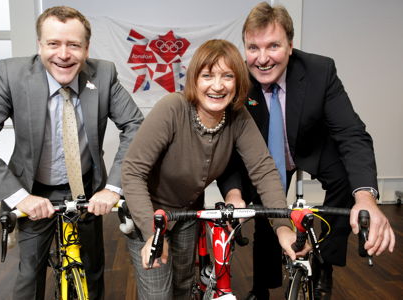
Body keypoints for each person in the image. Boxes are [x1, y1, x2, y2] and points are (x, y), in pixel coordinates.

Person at [0, 6, 143, 300]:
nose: (64, 54)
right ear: (40, 45)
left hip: (86, 188)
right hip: (33, 190)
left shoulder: (104, 73)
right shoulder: (12, 74)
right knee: (30, 274)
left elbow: (135, 126)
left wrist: (113, 188)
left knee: (92, 270)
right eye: (53, 43)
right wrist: (20, 197)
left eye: (74, 45)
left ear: (86, 48)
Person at [217, 2, 395, 300]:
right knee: (265, 204)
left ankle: (325, 261)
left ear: (290, 45)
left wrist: (366, 198)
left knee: (344, 177)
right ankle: (262, 287)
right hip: (261, 158)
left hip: (309, 146)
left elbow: (352, 133)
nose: (262, 59)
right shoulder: (235, 78)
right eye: (253, 48)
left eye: (273, 46)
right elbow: (228, 148)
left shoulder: (319, 70)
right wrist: (234, 193)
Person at [121, 39, 310, 300]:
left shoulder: (239, 116)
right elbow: (132, 171)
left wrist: (282, 227)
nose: (218, 86)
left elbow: (264, 170)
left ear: (238, 82)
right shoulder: (172, 108)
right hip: (148, 213)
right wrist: (153, 234)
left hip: (187, 214)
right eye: (208, 75)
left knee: (183, 290)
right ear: (194, 80)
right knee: (158, 294)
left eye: (227, 76)